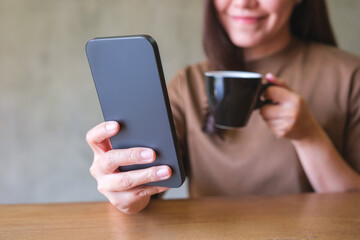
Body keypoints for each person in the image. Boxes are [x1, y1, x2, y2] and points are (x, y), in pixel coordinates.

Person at [86, 0, 360, 214]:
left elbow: (353, 207)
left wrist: (308, 136)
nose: (243, 2)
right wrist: (125, 192)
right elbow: (149, 188)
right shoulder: (189, 83)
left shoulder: (349, 76)